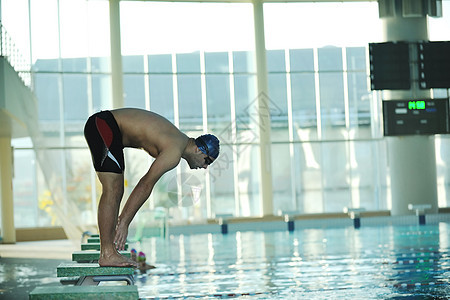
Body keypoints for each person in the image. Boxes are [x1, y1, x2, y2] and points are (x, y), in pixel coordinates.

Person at [84, 108, 220, 267]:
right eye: (207, 161)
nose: (204, 167)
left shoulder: (177, 140)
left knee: (116, 189)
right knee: (113, 188)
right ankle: (107, 253)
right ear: (198, 149)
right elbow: (146, 184)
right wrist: (125, 222)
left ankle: (110, 250)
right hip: (104, 126)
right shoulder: (174, 150)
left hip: (107, 128)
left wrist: (123, 220)